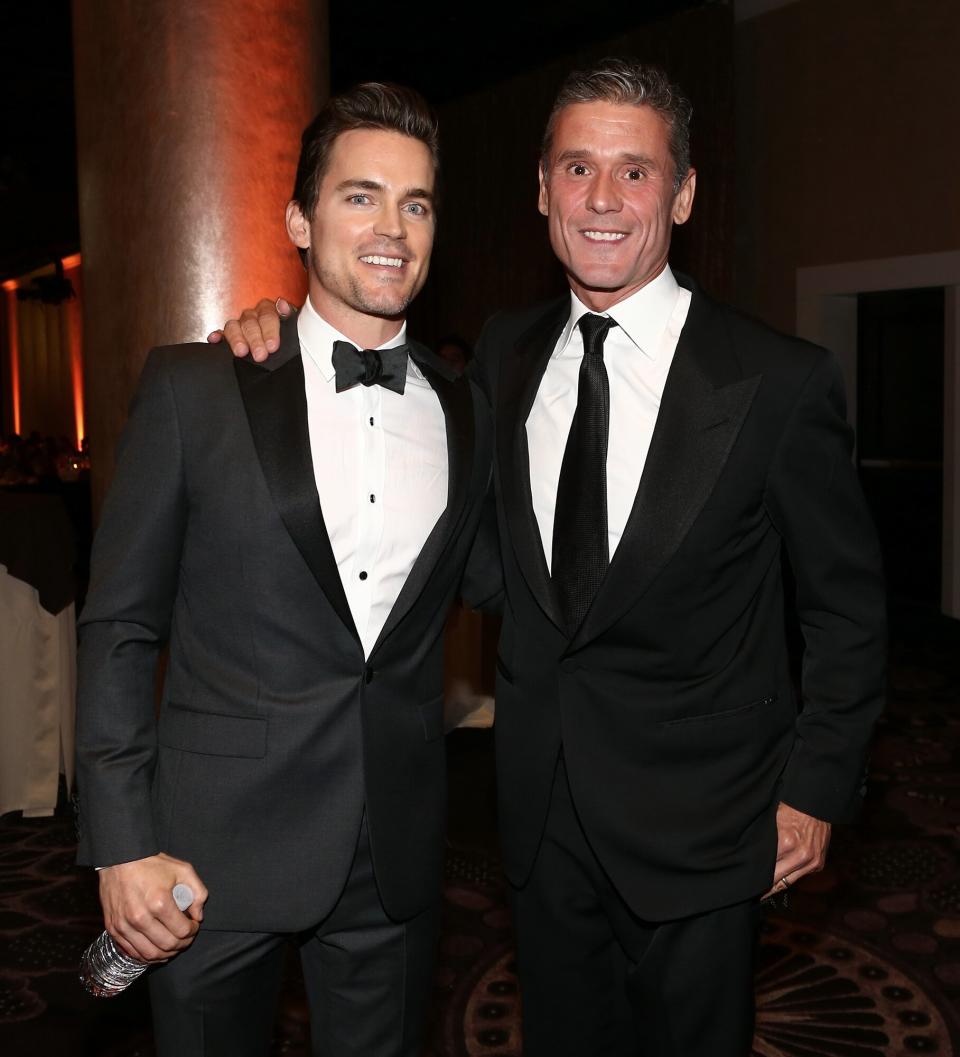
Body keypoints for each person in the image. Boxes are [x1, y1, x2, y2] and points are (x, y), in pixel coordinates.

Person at [216, 59, 885, 1057]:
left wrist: (816, 789)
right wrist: (277, 333)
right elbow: (459, 531)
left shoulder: (777, 381)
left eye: (634, 171)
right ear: (540, 189)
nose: (603, 199)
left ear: (685, 191)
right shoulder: (503, 352)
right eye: (576, 169)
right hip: (536, 819)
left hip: (706, 823)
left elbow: (847, 612)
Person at [75, 82, 497, 1057]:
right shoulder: (199, 387)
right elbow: (118, 626)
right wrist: (123, 840)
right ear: (300, 220)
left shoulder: (466, 406)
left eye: (417, 203)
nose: (392, 226)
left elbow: (498, 580)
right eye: (361, 196)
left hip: (391, 853)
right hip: (207, 856)